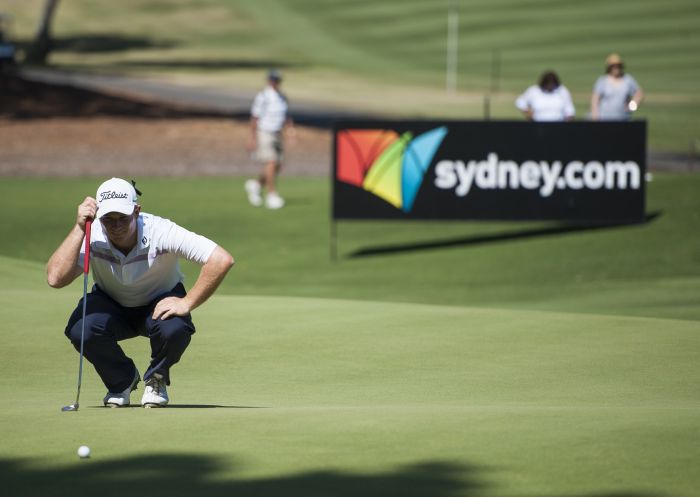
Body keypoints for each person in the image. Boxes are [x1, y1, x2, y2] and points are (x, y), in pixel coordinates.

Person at [47, 178, 234, 408]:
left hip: (158, 302)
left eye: (122, 218)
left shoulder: (161, 231)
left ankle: (156, 378)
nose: (115, 226)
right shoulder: (93, 233)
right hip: (111, 303)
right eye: (108, 219)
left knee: (175, 328)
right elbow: (56, 278)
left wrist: (187, 302)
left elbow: (221, 259)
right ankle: (121, 381)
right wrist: (79, 228)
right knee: (81, 329)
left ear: (136, 211)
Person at [245, 69, 296, 209]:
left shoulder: (282, 97)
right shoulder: (263, 96)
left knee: (277, 165)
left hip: (278, 133)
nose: (275, 82)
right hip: (264, 132)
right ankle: (271, 195)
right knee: (272, 162)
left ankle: (256, 185)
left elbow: (286, 116)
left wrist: (290, 132)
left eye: (277, 80)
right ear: (269, 80)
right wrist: (252, 137)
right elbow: (254, 118)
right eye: (273, 79)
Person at [590, 53, 643, 120]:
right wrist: (595, 117)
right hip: (604, 118)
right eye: (613, 66)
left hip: (623, 118)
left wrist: (631, 107)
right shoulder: (602, 81)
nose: (616, 68)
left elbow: (639, 94)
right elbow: (595, 100)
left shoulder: (628, 80)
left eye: (618, 65)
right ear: (609, 67)